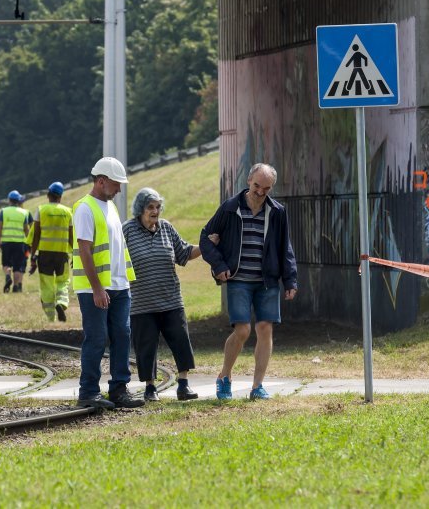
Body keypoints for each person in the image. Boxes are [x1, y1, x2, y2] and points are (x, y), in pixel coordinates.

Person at [199, 163, 297, 400]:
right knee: (242, 330)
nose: (261, 192)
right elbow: (205, 239)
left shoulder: (277, 212)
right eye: (257, 186)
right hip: (238, 280)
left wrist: (290, 279)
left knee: (265, 329)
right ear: (248, 181)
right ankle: (224, 376)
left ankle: (257, 386)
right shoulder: (230, 208)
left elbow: (285, 247)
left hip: (267, 281)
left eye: (267, 188)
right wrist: (220, 266)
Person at [73, 157, 144, 410]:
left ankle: (119, 390)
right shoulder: (84, 208)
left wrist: (124, 282)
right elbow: (85, 251)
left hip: (119, 286)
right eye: (116, 184)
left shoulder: (111, 207)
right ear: (101, 181)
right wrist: (97, 288)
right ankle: (88, 392)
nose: (119, 190)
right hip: (96, 288)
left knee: (122, 335)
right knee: (97, 337)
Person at [123, 188, 202, 402]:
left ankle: (183, 385)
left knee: (180, 341)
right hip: (142, 303)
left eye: (158, 207)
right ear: (140, 209)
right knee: (146, 347)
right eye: (150, 207)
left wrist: (205, 245)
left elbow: (184, 253)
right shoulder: (127, 231)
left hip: (171, 300)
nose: (155, 211)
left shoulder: (166, 228)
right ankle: (150, 388)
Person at [29, 181, 73, 322]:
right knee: (63, 281)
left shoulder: (41, 210)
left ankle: (50, 317)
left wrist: (33, 255)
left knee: (47, 284)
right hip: (62, 254)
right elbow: (71, 236)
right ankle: (61, 303)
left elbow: (36, 235)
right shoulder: (67, 212)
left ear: (48, 195)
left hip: (45, 254)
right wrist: (76, 255)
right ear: (60, 197)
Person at [0, 190, 30, 293]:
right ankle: (15, 287)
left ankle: (7, 276)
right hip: (19, 243)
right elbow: (26, 229)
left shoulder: (4, 211)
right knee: (17, 267)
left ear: (9, 200)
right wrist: (29, 243)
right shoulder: (24, 212)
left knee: (5, 264)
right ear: (18, 200)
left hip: (6, 242)